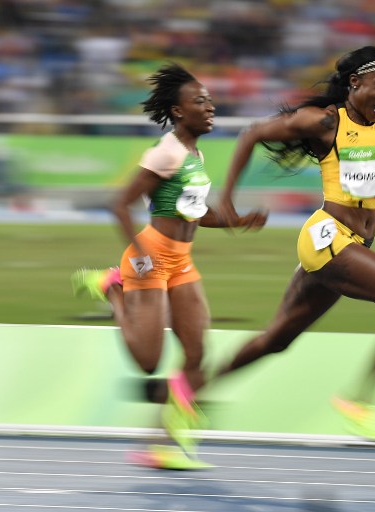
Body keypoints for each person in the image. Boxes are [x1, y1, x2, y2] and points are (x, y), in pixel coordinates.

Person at [214, 46, 375, 440]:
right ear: (354, 82)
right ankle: (361, 401)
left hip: (353, 244)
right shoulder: (326, 122)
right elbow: (252, 134)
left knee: (276, 339)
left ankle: (192, 392)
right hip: (327, 238)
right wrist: (225, 201)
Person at [70, 62, 267, 468]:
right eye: (200, 101)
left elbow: (192, 213)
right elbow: (119, 204)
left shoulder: (194, 154)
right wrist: (138, 257)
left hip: (180, 262)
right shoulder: (167, 152)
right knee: (148, 361)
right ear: (178, 112)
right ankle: (112, 288)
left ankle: (160, 443)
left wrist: (237, 220)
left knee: (197, 355)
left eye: (210, 100)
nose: (210, 106)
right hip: (151, 258)